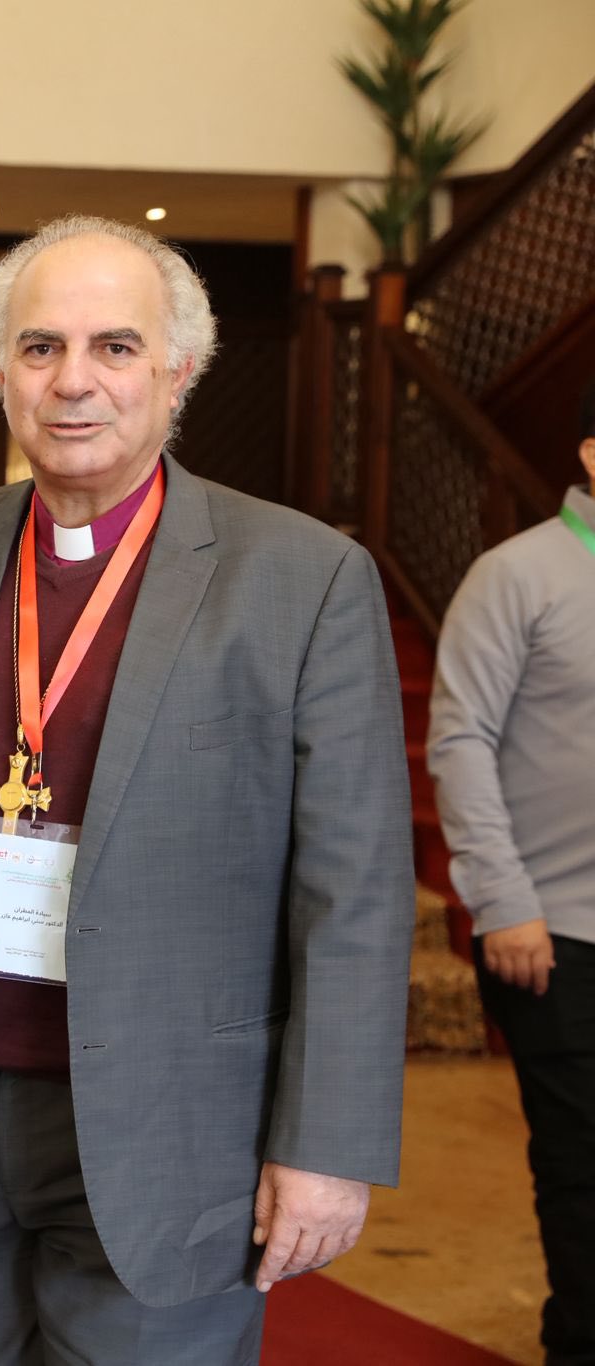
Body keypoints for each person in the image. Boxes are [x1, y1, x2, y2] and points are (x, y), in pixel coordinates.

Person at [0, 214, 413, 1363]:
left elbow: (350, 895)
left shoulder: (302, 579)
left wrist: (327, 1140)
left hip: (176, 1127)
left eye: (114, 346)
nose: (73, 381)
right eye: (39, 346)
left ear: (177, 369)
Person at [427, 380, 595, 1365]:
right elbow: (458, 742)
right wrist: (502, 899)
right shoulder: (516, 574)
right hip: (555, 929)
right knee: (583, 1171)